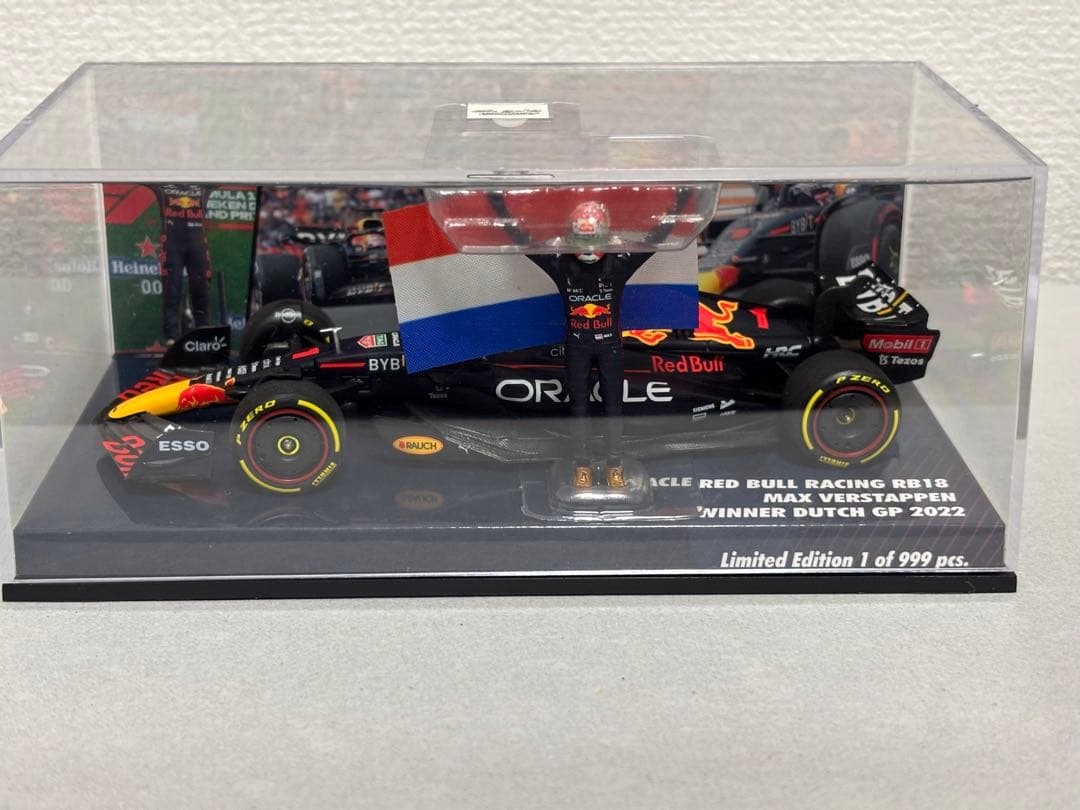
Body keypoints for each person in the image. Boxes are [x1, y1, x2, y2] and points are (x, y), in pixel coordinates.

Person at [531, 201, 654, 489]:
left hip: (610, 347)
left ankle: (615, 465)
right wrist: (498, 204)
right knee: (579, 406)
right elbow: (522, 243)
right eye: (581, 239)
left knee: (613, 406)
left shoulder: (620, 264)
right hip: (577, 347)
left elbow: (656, 240)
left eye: (593, 239)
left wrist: (680, 202)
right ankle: (581, 466)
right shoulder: (560, 265)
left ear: (605, 236)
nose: (587, 248)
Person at [153, 183, 212, 343]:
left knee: (201, 289)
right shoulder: (162, 184)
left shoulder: (204, 183)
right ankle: (171, 337)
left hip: (197, 245)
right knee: (172, 289)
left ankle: (204, 334)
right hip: (172, 245)